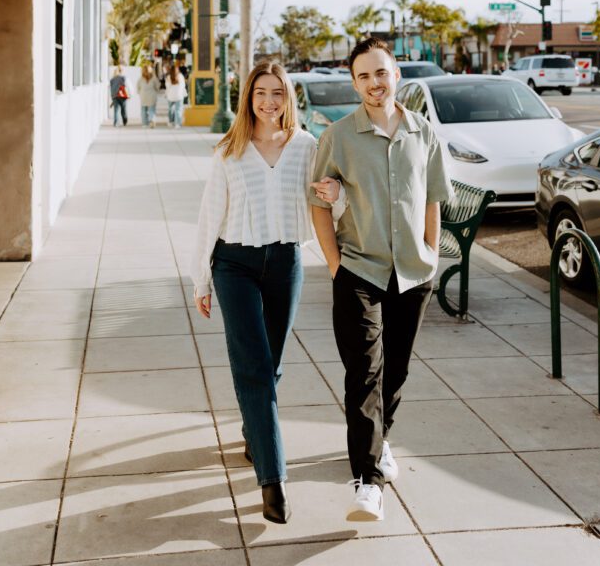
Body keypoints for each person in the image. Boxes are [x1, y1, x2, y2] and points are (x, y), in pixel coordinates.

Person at [190, 60, 342, 525]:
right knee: (253, 364)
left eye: (278, 92)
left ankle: (254, 431)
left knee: (271, 363)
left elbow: (333, 198)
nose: (269, 101)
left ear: (288, 98)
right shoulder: (229, 150)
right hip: (233, 265)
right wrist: (201, 279)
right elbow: (208, 218)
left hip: (285, 263)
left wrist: (336, 192)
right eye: (261, 92)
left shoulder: (307, 147)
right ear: (248, 97)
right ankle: (273, 482)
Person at [309, 37, 453, 522]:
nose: (374, 83)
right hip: (359, 270)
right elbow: (319, 201)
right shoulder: (339, 136)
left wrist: (430, 253)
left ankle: (381, 438)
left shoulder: (424, 133)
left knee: (396, 372)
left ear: (397, 76)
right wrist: (334, 264)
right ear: (354, 83)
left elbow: (433, 197)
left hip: (413, 273)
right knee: (363, 375)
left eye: (381, 72)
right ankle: (366, 482)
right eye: (364, 76)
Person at [137, 63, 159, 127]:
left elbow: (138, 88)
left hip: (143, 96)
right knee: (152, 110)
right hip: (152, 96)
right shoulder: (153, 78)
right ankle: (152, 120)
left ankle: (144, 124)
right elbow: (157, 86)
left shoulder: (140, 79)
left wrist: (140, 93)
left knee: (143, 110)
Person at [165, 63, 187, 128]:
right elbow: (183, 85)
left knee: (170, 109)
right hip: (179, 95)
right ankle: (178, 123)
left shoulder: (168, 77)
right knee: (178, 109)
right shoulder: (180, 76)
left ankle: (171, 122)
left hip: (170, 96)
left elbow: (167, 86)